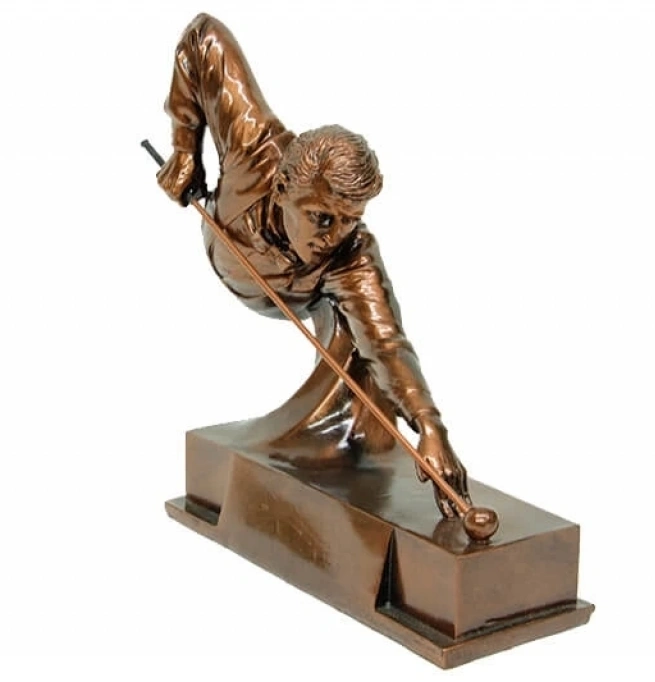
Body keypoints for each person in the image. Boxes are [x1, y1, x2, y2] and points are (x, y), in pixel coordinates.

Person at [156, 13, 470, 517]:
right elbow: (203, 37)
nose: (334, 237)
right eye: (322, 217)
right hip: (227, 248)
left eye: (349, 220)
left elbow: (387, 343)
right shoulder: (253, 145)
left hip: (302, 303)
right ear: (282, 187)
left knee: (364, 353)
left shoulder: (352, 256)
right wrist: (184, 150)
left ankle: (341, 447)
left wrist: (431, 428)